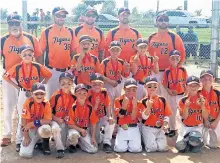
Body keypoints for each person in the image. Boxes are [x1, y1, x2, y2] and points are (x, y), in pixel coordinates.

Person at [1, 14, 42, 147]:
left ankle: (25, 133)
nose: (14, 26)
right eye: (11, 23)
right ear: (8, 25)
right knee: (8, 105)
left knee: (25, 106)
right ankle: (7, 134)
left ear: (21, 24)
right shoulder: (3, 40)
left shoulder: (31, 38)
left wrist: (40, 75)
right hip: (10, 76)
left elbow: (39, 57)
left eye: (16, 23)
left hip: (28, 77)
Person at [2, 45, 52, 152]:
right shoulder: (17, 67)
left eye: (30, 54)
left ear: (33, 55)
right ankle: (20, 140)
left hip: (36, 94)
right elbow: (5, 76)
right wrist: (16, 86)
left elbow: (49, 74)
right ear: (20, 55)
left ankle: (38, 140)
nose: (27, 56)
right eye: (24, 54)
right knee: (22, 117)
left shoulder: (37, 66)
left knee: (37, 115)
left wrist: (41, 85)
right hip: (23, 93)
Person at [39, 7, 75, 99]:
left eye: (63, 16)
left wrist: (72, 68)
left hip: (67, 70)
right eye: (58, 15)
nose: (61, 18)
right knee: (51, 98)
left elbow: (74, 51)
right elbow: (40, 52)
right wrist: (41, 70)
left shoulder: (70, 31)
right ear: (53, 16)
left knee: (67, 98)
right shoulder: (46, 32)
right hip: (52, 70)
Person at [148, 13, 185, 97]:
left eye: (166, 20)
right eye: (161, 20)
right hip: (155, 72)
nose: (163, 22)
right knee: (154, 97)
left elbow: (182, 54)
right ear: (157, 22)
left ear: (168, 22)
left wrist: (176, 71)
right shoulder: (151, 37)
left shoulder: (174, 36)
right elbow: (147, 54)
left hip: (169, 72)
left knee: (170, 98)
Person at [176, 76, 210, 153]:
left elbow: (206, 116)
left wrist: (202, 106)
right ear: (187, 86)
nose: (193, 87)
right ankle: (188, 140)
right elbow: (184, 117)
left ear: (199, 86)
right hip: (185, 127)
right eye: (191, 85)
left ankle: (192, 141)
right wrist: (186, 107)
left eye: (195, 85)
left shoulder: (203, 99)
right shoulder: (183, 100)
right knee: (180, 147)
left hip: (197, 127)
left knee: (195, 147)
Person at [19, 83, 52, 158]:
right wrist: (26, 136)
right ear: (31, 94)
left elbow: (48, 120)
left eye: (41, 94)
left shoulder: (46, 103)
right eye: (36, 94)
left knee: (46, 128)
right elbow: (23, 120)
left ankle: (45, 144)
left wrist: (33, 123)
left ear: (45, 94)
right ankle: (36, 143)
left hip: (40, 127)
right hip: (30, 129)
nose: (39, 96)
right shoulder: (27, 103)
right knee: (25, 154)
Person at [141, 76, 172, 152]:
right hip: (148, 128)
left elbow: (166, 114)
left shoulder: (162, 99)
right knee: (152, 148)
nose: (152, 88)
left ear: (157, 86)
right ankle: (143, 138)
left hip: (159, 128)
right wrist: (148, 107)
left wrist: (165, 123)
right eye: (149, 86)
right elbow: (144, 118)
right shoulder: (143, 101)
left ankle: (150, 140)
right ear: (145, 87)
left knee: (162, 148)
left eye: (154, 86)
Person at [162, 50, 188, 137]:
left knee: (182, 112)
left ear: (179, 59)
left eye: (177, 58)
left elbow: (186, 82)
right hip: (171, 95)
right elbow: (164, 83)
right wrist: (168, 90)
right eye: (173, 58)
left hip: (181, 94)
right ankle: (172, 129)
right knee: (172, 112)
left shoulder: (183, 70)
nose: (175, 60)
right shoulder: (167, 71)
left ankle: (184, 128)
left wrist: (186, 93)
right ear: (169, 59)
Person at [50, 72, 76, 158]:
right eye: (63, 83)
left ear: (72, 83)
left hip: (67, 120)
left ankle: (71, 144)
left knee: (72, 133)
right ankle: (59, 149)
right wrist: (55, 118)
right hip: (55, 119)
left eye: (69, 83)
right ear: (59, 84)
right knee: (56, 128)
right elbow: (48, 110)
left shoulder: (73, 97)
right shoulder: (56, 95)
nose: (66, 85)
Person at [66, 84, 99, 153]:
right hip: (74, 129)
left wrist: (93, 137)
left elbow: (94, 122)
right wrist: (80, 130)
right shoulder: (72, 107)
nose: (82, 95)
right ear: (75, 94)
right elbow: (69, 124)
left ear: (87, 94)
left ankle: (80, 143)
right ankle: (73, 145)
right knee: (74, 135)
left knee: (93, 150)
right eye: (79, 93)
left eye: (84, 93)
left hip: (84, 130)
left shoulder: (89, 107)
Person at [87, 73, 115, 153]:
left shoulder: (104, 92)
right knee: (97, 141)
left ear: (103, 84)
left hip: (102, 116)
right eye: (94, 84)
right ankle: (101, 134)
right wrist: (96, 104)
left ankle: (107, 143)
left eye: (99, 84)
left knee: (111, 122)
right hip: (92, 120)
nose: (97, 86)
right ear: (90, 83)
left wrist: (110, 116)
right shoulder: (88, 94)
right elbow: (90, 113)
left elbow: (108, 105)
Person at [114, 78, 142, 153]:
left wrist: (135, 106)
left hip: (133, 127)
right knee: (120, 149)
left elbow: (133, 117)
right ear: (124, 89)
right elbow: (120, 116)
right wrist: (124, 106)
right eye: (128, 89)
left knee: (135, 149)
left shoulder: (137, 101)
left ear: (136, 90)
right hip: (122, 127)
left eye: (134, 89)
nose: (131, 92)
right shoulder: (118, 100)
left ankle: (136, 140)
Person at [101, 41, 130, 106]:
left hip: (118, 84)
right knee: (109, 103)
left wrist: (127, 68)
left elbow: (125, 75)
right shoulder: (105, 62)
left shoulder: (121, 61)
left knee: (117, 102)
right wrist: (110, 81)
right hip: (108, 85)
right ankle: (109, 115)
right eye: (113, 50)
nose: (115, 52)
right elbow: (100, 75)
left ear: (120, 51)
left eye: (117, 50)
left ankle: (115, 116)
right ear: (109, 50)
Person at [199, 70, 220, 148]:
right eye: (204, 78)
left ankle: (211, 136)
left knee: (213, 145)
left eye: (209, 78)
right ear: (200, 80)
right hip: (201, 122)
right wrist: (205, 120)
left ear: (214, 79)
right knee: (200, 144)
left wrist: (216, 122)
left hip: (215, 120)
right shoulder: (197, 93)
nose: (207, 80)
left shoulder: (217, 93)